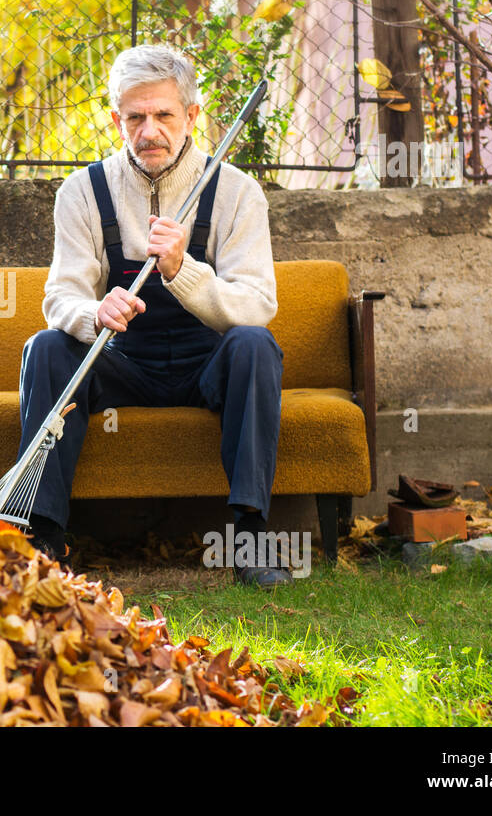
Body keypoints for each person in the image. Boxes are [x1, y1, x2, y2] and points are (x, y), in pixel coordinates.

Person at [18, 44, 290, 588]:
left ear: (191, 116)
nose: (150, 131)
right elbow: (60, 296)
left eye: (164, 114)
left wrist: (182, 270)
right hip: (123, 361)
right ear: (116, 118)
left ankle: (253, 535)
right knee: (45, 346)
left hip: (207, 363)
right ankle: (44, 535)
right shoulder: (83, 192)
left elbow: (257, 304)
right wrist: (95, 311)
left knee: (256, 346)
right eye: (135, 117)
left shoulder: (236, 192)